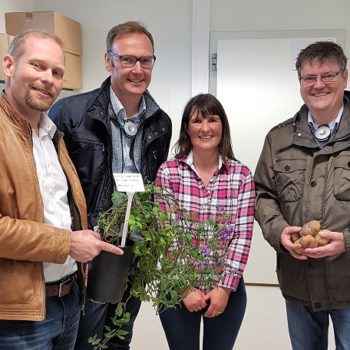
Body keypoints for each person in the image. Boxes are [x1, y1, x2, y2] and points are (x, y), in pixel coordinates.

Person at [49, 21, 172, 349]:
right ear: (108, 61)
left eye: (145, 61)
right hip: (88, 249)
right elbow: (50, 184)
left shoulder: (161, 122)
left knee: (120, 336)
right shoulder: (71, 112)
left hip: (134, 248)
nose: (137, 69)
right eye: (127, 59)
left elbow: (152, 182)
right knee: (85, 340)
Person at [0, 30, 123, 350]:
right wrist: (68, 243)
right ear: (9, 65)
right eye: (37, 66)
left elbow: (58, 208)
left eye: (56, 72)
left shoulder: (52, 134)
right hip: (17, 317)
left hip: (67, 303)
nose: (48, 79)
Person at [254, 41, 350, 350]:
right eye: (309, 78)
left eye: (328, 75)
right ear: (300, 83)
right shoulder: (278, 139)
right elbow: (262, 193)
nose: (318, 84)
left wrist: (347, 241)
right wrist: (279, 232)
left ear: (345, 77)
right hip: (299, 284)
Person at [155, 93, 255, 350]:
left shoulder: (241, 175)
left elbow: (242, 236)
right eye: (197, 121)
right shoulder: (169, 172)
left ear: (223, 126)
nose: (205, 128)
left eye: (212, 120)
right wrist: (184, 287)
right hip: (178, 289)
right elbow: (167, 233)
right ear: (187, 129)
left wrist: (224, 289)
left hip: (226, 289)